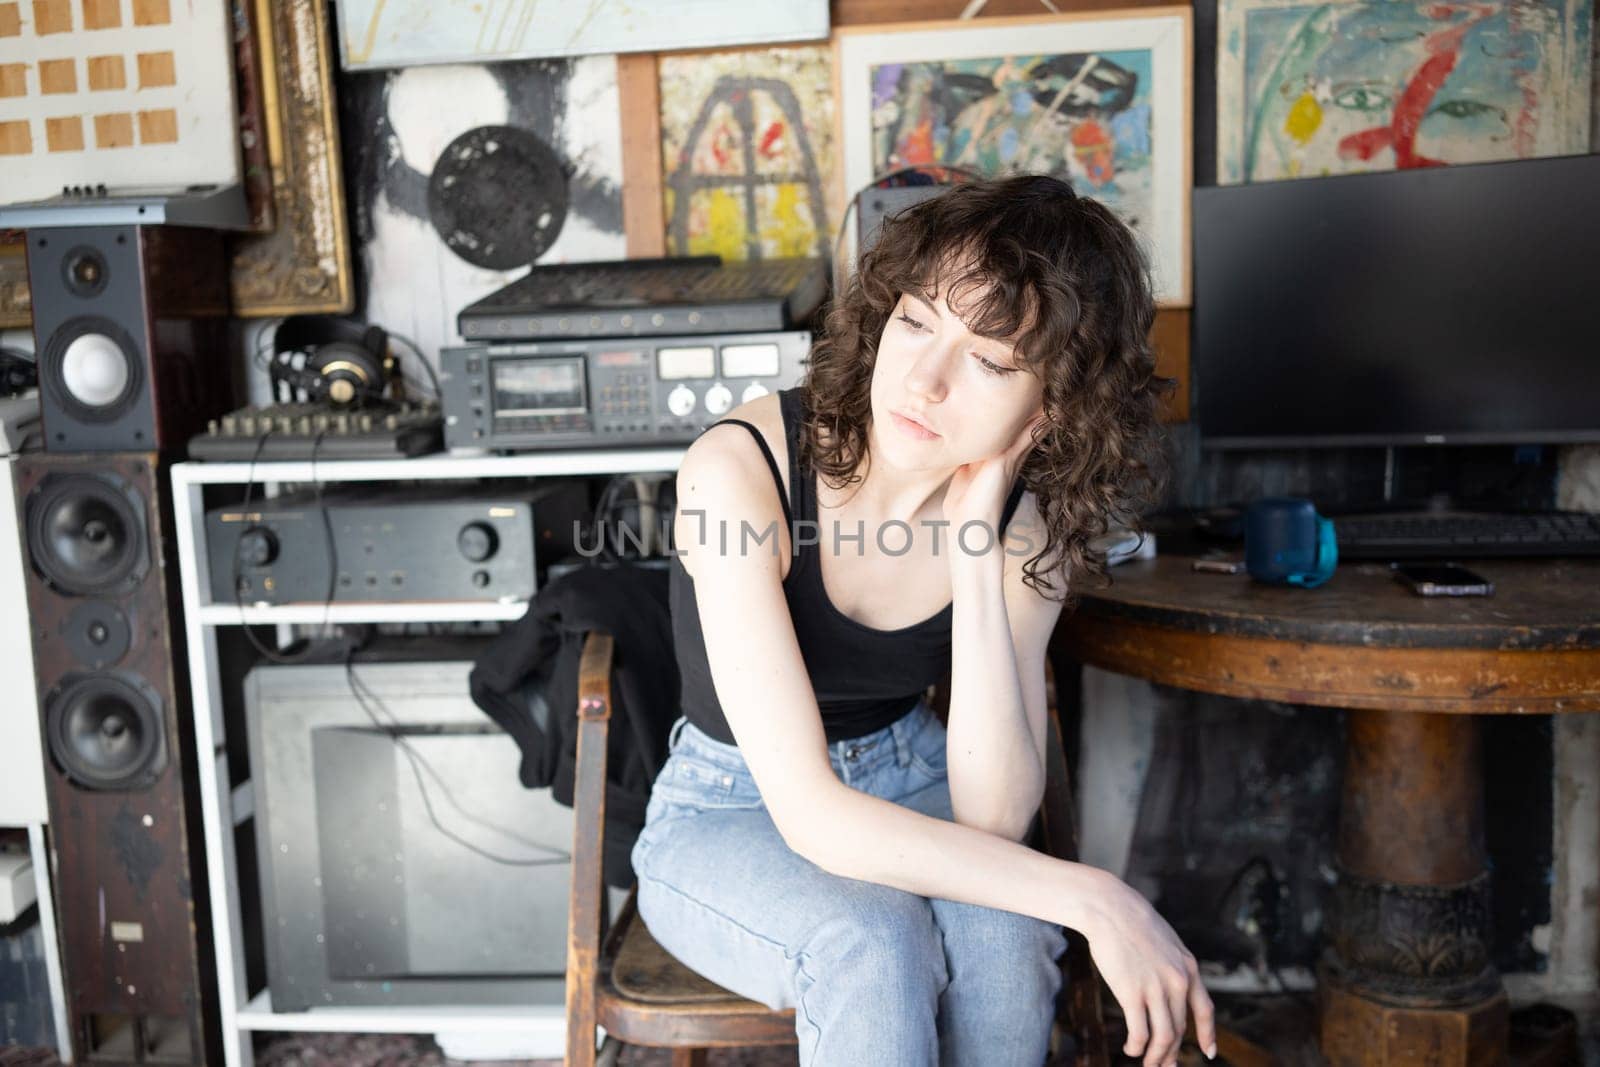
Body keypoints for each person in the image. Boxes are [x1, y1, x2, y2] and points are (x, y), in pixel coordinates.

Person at [630, 174, 1214, 1067]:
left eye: (989, 360)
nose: (924, 380)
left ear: (1050, 405)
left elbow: (992, 812)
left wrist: (977, 552)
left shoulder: (1027, 526)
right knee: (873, 944)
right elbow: (814, 817)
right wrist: (1098, 897)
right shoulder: (737, 472)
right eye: (915, 320)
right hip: (727, 809)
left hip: (913, 774)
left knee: (1010, 943)